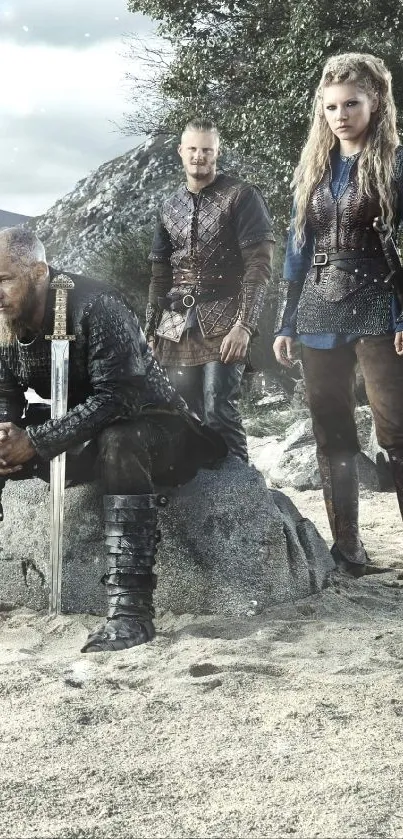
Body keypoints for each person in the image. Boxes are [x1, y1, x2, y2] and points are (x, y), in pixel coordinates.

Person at [0, 227, 227, 652]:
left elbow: (121, 397)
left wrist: (37, 441)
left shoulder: (96, 304)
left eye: (3, 279)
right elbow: (5, 395)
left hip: (154, 425)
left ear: (38, 272)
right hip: (81, 430)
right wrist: (7, 436)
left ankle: (130, 615)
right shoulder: (5, 322)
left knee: (118, 441)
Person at [273, 52, 403, 577]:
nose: (341, 115)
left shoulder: (395, 163)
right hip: (317, 310)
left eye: (352, 104)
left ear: (376, 104)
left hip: (379, 306)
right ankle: (348, 550)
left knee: (396, 431)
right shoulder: (313, 169)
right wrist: (285, 322)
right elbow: (296, 250)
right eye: (331, 107)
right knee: (331, 432)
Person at [144, 118, 275, 462]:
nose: (199, 156)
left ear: (217, 152)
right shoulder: (168, 205)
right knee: (180, 410)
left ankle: (242, 496)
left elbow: (258, 266)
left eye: (206, 150)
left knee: (219, 408)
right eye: (192, 149)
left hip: (226, 316)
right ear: (180, 152)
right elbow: (160, 273)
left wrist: (244, 326)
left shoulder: (242, 196)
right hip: (173, 322)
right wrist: (150, 330)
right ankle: (200, 496)